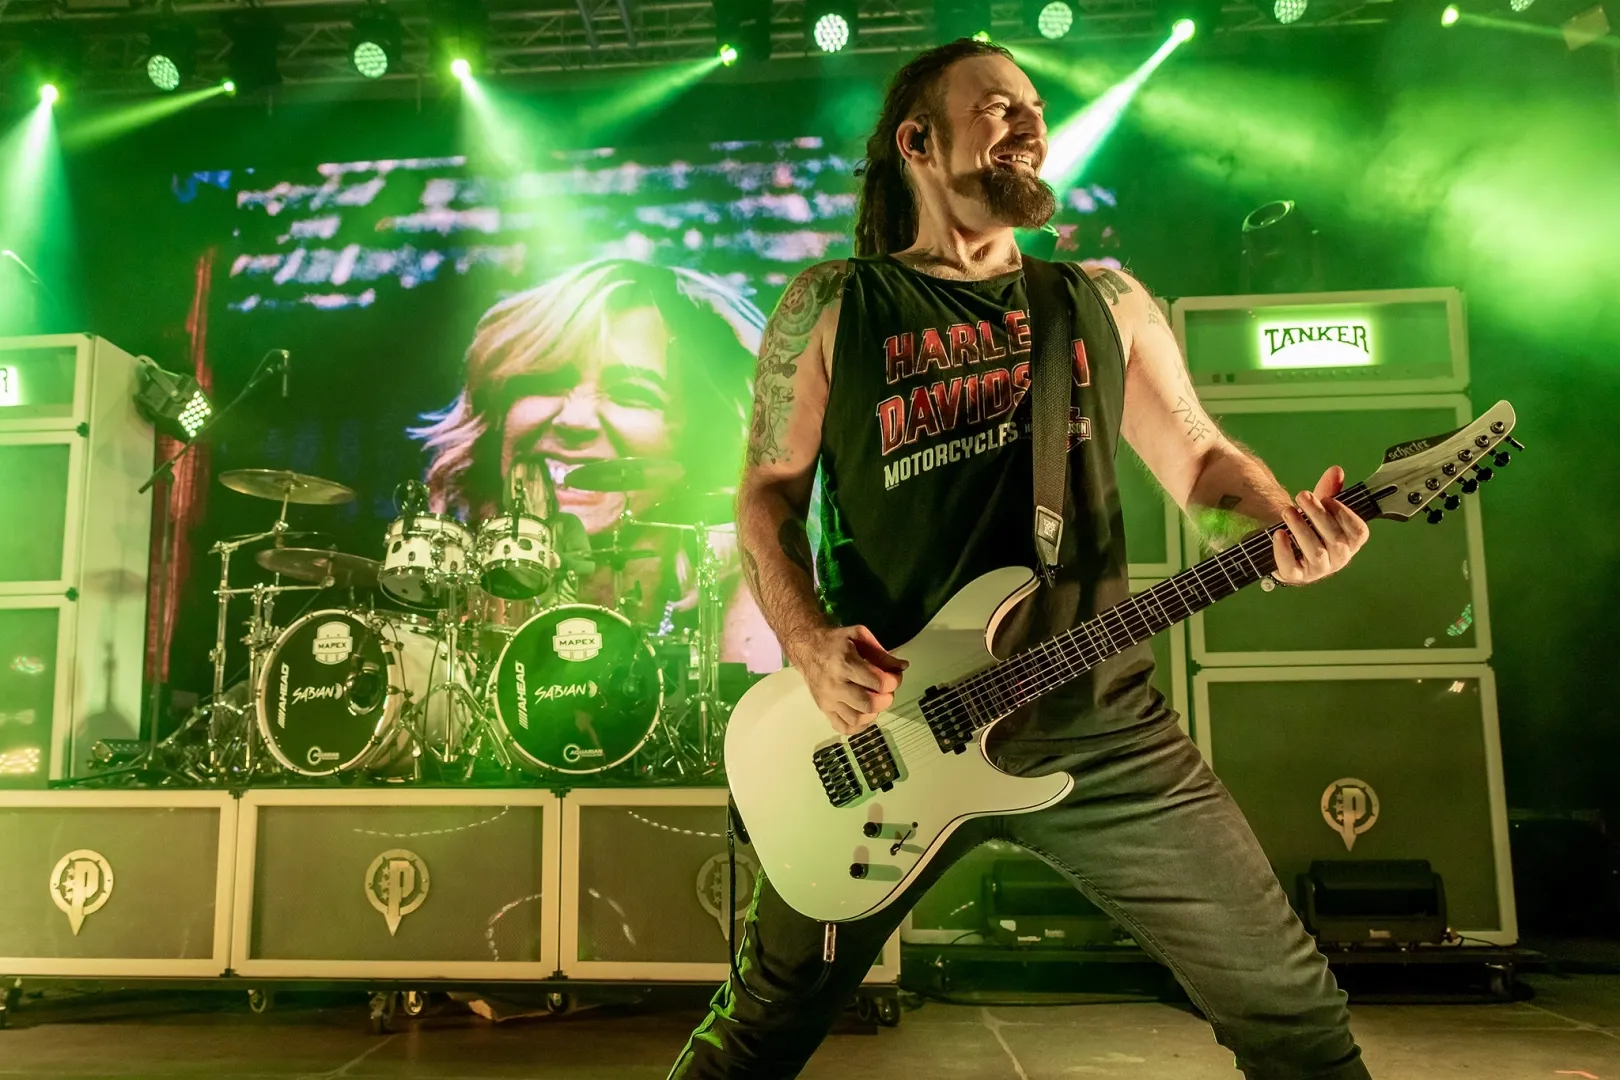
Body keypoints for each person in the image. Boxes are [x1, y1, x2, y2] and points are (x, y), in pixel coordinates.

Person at [671, 39, 1373, 1080]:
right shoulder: (835, 305)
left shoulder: (1101, 301)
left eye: (1036, 106)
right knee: (762, 1025)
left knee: (1294, 1017)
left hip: (1100, 722)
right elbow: (766, 495)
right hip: (890, 731)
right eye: (997, 106)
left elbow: (1203, 459)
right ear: (917, 141)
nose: (1030, 121)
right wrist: (809, 643)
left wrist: (1280, 528)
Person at [411, 258, 782, 670]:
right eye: (542, 383)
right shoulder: (426, 614)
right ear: (496, 417)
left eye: (632, 394)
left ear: (700, 439)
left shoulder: (755, 620)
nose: (574, 419)